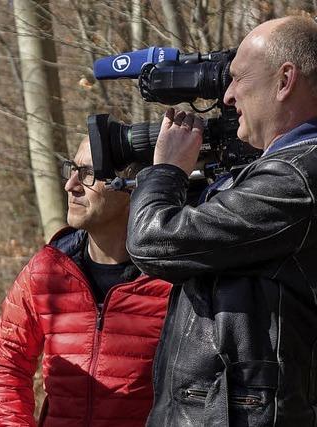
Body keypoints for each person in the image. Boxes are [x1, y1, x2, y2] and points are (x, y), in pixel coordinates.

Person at [126, 16, 317, 426]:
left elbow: (152, 241)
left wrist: (167, 171)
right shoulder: (280, 170)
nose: (227, 97)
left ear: (285, 81)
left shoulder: (298, 177)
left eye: (237, 79)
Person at [0, 138, 171, 426]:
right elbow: (7, 360)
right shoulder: (47, 271)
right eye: (72, 169)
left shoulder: (171, 282)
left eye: (88, 174)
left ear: (133, 188)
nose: (70, 185)